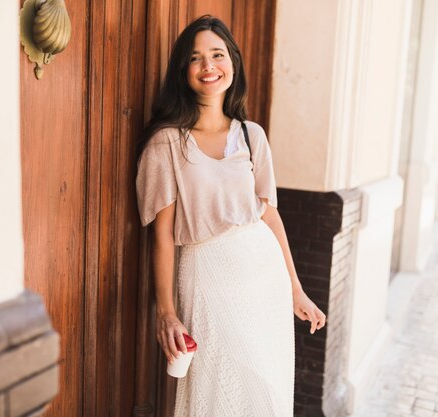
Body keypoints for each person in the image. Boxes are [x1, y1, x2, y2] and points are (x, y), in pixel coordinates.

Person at [136, 14, 326, 417]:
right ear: (183, 71)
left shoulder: (252, 135)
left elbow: (269, 217)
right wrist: (166, 312)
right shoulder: (166, 142)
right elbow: (163, 236)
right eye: (196, 58)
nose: (209, 66)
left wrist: (294, 288)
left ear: (232, 64)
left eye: (217, 54)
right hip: (207, 276)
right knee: (219, 388)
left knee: (266, 393)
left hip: (264, 282)